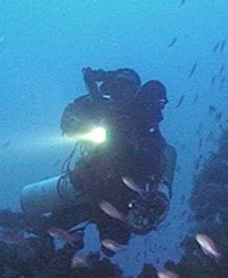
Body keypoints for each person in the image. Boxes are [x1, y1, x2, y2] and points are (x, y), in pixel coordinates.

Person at [46, 67, 176, 253]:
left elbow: (159, 169)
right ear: (110, 87)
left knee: (112, 248)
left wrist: (156, 199)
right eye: (118, 87)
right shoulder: (98, 107)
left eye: (128, 88)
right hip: (87, 187)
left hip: (120, 199)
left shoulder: (152, 136)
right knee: (51, 228)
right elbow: (68, 122)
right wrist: (88, 122)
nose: (122, 93)